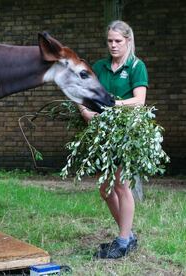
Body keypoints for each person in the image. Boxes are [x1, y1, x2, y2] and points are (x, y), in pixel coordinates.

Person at [79, 20, 148, 259]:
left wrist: (113, 106)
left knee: (121, 184)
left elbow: (139, 101)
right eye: (110, 41)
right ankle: (127, 236)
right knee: (105, 189)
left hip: (124, 133)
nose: (113, 45)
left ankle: (122, 240)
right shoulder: (99, 66)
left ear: (128, 41)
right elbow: (84, 93)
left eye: (118, 41)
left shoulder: (137, 67)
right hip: (101, 135)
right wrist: (85, 110)